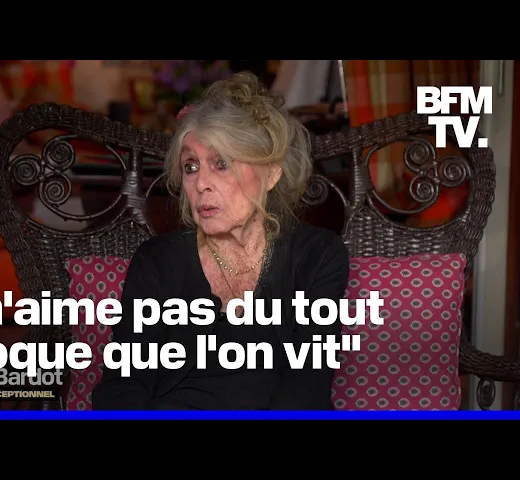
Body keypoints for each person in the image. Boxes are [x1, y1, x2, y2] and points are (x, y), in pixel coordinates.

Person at [92, 71, 350, 410]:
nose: (201, 184)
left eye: (221, 163)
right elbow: (123, 384)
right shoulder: (157, 262)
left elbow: (308, 387)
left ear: (271, 173)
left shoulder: (317, 256)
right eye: (190, 166)